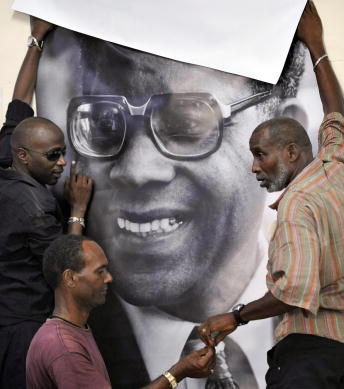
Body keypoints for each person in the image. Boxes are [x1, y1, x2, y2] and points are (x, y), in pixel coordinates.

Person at [35, 13, 315, 389]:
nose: (136, 169)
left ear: (283, 142)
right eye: (104, 123)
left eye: (187, 123)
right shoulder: (66, 340)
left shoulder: (318, 303)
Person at [197, 3, 344, 388]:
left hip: (310, 354)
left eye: (260, 154)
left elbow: (294, 293)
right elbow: (335, 115)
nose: (254, 167)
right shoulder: (339, 167)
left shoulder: (297, 205)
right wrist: (316, 45)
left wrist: (236, 317)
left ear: (292, 153)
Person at [0, 16, 94, 389]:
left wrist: (36, 39)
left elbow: (19, 102)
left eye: (63, 153)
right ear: (25, 156)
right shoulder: (34, 207)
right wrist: (77, 209)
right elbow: (67, 264)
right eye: (53, 156)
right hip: (16, 327)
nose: (62, 163)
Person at [26, 235, 215, 389]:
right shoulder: (65, 348)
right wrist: (178, 372)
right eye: (100, 272)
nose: (109, 278)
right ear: (70, 278)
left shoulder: (69, 331)